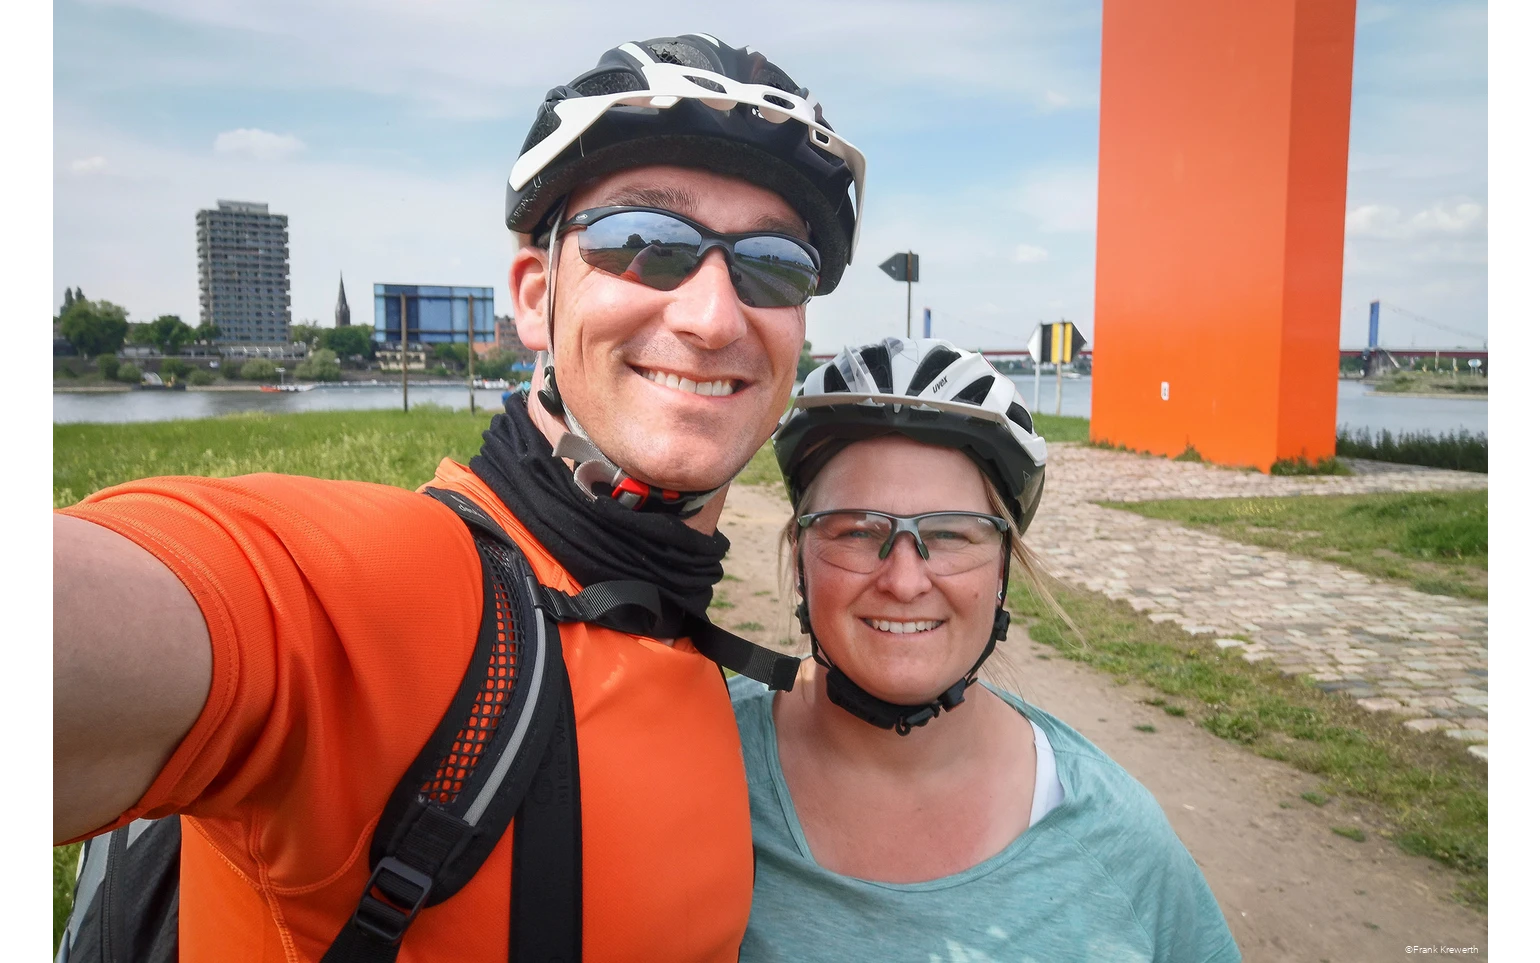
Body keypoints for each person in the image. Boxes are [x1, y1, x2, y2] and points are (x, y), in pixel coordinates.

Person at [50, 34, 864, 962]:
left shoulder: (697, 667)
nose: (713, 316)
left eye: (773, 266)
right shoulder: (392, 592)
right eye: (645, 241)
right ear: (533, 295)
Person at [729, 338, 1241, 963]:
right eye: (859, 531)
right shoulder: (698, 761)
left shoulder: (1117, 842)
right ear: (800, 558)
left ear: (1002, 571)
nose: (905, 581)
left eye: (948, 534)